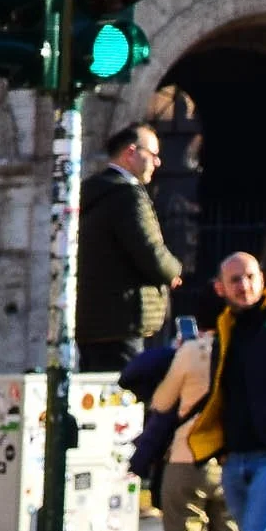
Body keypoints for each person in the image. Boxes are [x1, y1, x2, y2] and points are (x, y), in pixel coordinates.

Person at [188, 252, 266, 531]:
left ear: (262, 279)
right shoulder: (227, 327)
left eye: (250, 277)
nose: (244, 286)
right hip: (236, 458)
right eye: (235, 280)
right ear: (221, 288)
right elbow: (224, 390)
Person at [78, 124, 184, 371]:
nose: (158, 163)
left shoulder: (93, 193)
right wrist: (174, 271)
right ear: (131, 152)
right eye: (153, 154)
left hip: (92, 323)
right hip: (125, 320)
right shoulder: (128, 195)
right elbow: (150, 251)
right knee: (126, 398)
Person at [154, 323, 238, 531]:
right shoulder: (246, 347)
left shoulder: (191, 351)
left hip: (186, 458)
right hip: (231, 461)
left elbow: (161, 403)